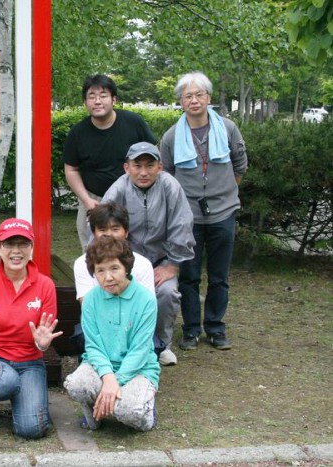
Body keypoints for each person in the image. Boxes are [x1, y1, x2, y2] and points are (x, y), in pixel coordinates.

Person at [160, 72, 248, 351]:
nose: (194, 100)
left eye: (199, 94)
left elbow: (240, 165)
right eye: (188, 95)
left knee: (220, 277)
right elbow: (167, 176)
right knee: (189, 276)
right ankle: (190, 330)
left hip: (223, 214)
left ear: (209, 98)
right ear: (181, 102)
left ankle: (215, 327)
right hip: (188, 218)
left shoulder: (228, 128)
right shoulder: (172, 136)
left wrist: (222, 192)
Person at [0, 218, 61, 439]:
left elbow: (44, 338)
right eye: (9, 244)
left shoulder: (45, 286)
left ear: (31, 248)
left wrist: (43, 343)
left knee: (32, 430)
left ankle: (21, 399)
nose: (16, 251)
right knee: (6, 380)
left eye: (23, 244)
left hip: (30, 362)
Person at [103, 142, 195, 366]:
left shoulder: (171, 187)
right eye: (137, 166)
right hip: (126, 260)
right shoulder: (117, 190)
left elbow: (181, 225)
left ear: (160, 167)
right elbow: (100, 227)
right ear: (127, 167)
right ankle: (120, 344)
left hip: (161, 259)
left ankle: (162, 345)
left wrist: (172, 266)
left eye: (150, 165)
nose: (143, 172)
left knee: (166, 293)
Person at [64, 237, 160, 432]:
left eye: (114, 268)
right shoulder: (90, 299)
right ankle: (95, 412)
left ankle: (146, 408)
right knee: (76, 384)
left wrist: (115, 381)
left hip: (138, 369)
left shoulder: (146, 300)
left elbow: (140, 350)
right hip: (100, 365)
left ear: (126, 267)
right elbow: (93, 346)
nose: (108, 277)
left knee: (130, 412)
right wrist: (108, 378)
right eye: (100, 270)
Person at [64, 73, 156, 251]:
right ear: (85, 102)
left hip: (133, 197)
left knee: (134, 249)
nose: (97, 101)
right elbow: (71, 170)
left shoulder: (133, 122)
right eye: (91, 96)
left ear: (114, 99)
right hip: (93, 200)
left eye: (103, 95)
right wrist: (86, 200)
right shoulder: (78, 132)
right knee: (93, 252)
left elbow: (155, 156)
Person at [74, 202, 155, 304]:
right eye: (102, 229)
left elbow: (146, 304)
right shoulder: (82, 263)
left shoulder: (143, 264)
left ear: (126, 232)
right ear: (94, 233)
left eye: (115, 229)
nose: (109, 234)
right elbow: (87, 304)